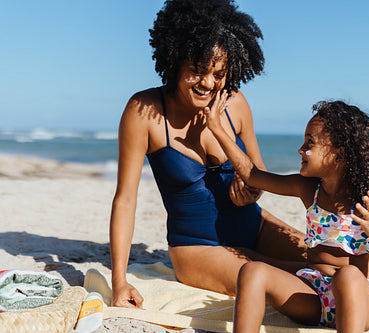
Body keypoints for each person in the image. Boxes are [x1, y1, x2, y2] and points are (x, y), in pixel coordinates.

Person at [109, 0, 306, 309]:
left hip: (254, 226)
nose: (208, 83)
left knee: (329, 261)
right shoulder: (143, 113)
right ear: (174, 60)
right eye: (197, 71)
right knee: (301, 282)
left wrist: (251, 192)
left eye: (219, 74)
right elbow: (125, 200)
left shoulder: (236, 104)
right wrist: (119, 281)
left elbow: (260, 176)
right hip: (197, 249)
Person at [205, 97, 369, 332]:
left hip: (361, 299)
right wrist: (217, 129)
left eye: (310, 143)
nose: (301, 149)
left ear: (339, 155)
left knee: (348, 276)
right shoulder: (309, 189)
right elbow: (252, 175)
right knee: (252, 271)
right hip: (315, 294)